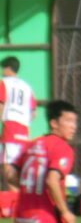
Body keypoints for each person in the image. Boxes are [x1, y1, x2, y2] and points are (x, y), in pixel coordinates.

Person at [0, 56, 37, 189]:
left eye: (3, 68)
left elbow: (1, 104)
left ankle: (15, 199)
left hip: (10, 128)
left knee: (8, 168)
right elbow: (34, 113)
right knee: (18, 167)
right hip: (24, 131)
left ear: (8, 69)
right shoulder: (27, 87)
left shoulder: (4, 83)